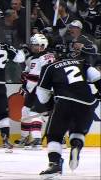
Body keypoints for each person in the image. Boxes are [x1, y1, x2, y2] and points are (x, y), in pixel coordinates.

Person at [37, 49, 101, 178]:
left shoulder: (49, 67)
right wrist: (96, 96)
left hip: (64, 102)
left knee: (54, 135)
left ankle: (55, 164)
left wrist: (50, 106)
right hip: (87, 103)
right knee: (78, 131)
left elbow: (42, 94)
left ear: (56, 57)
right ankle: (76, 146)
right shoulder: (83, 63)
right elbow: (98, 79)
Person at [15, 34, 55, 150]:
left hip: (43, 89)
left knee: (35, 113)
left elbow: (40, 76)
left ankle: (37, 140)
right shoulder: (35, 58)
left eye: (35, 45)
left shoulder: (45, 57)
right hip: (35, 89)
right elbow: (28, 72)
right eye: (32, 44)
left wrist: (26, 84)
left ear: (42, 45)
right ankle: (25, 137)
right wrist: (25, 80)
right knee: (26, 111)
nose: (32, 47)